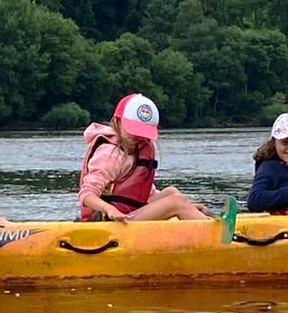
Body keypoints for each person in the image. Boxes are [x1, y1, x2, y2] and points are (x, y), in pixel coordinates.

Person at [78, 93, 208, 222]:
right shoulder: (109, 153)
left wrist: (187, 207)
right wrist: (109, 209)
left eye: (142, 132)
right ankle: (217, 235)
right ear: (117, 121)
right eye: (133, 130)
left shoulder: (137, 149)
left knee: (171, 193)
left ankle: (208, 221)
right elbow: (86, 195)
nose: (138, 136)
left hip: (129, 213)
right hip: (107, 221)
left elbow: (143, 195)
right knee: (177, 202)